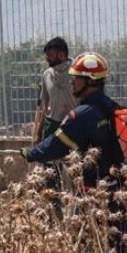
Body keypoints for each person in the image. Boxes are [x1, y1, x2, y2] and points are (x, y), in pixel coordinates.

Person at [20, 52, 127, 253]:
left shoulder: (81, 115)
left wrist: (30, 153)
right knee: (121, 243)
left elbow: (55, 146)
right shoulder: (113, 108)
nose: (72, 84)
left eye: (77, 79)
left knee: (85, 244)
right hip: (119, 190)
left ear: (90, 80)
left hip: (91, 194)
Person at [35, 37, 77, 217]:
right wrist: (37, 136)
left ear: (62, 54)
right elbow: (42, 108)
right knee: (51, 173)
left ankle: (77, 211)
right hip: (52, 127)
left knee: (77, 170)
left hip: (75, 126)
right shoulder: (47, 75)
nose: (48, 59)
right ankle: (55, 213)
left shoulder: (77, 71)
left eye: (51, 55)